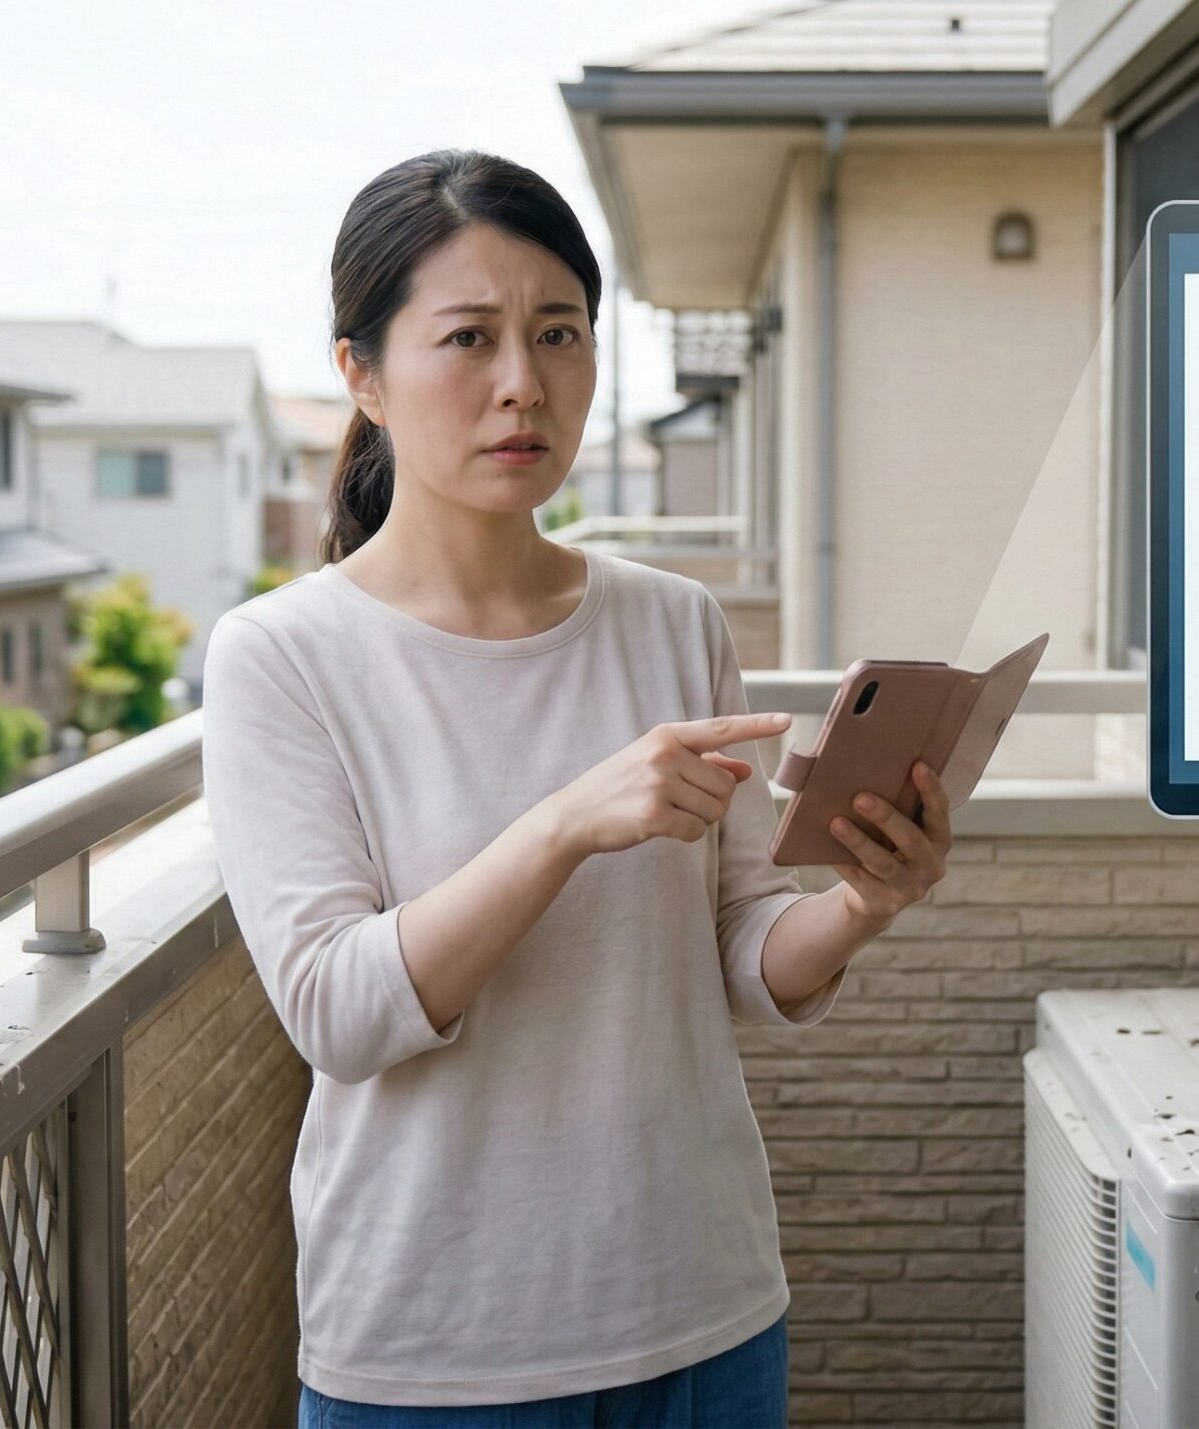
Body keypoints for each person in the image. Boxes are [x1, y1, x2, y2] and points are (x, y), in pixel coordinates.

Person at [199, 149, 958, 1427]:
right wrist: (561, 825)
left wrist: (862, 905)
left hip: (703, 1307)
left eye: (560, 334)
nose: (522, 383)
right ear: (363, 375)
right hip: (434, 1346)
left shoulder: (671, 621)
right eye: (469, 338)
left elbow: (734, 944)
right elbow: (335, 1009)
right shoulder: (281, 655)